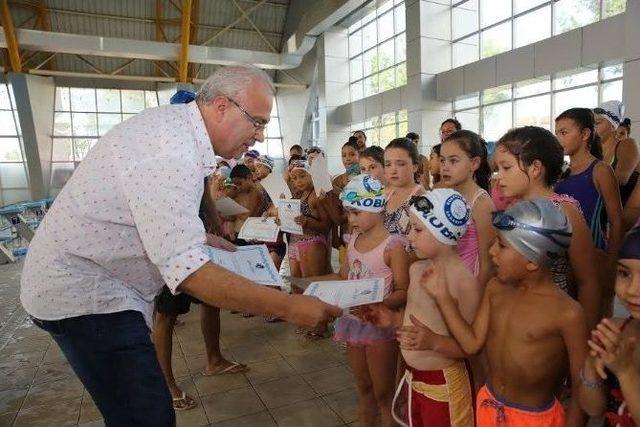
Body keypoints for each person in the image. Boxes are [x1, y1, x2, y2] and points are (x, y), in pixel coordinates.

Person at [21, 64, 341, 427]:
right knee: (147, 416)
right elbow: (189, 273)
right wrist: (290, 307)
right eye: (257, 122)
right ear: (222, 106)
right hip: (85, 295)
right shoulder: (170, 153)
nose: (260, 136)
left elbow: (143, 210)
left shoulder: (176, 132)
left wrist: (201, 237)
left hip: (98, 284)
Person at [425, 198, 588, 427]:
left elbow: (582, 385)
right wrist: (442, 297)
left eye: (501, 245)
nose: (491, 252)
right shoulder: (495, 288)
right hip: (489, 406)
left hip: (535, 419)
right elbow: (472, 344)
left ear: (532, 260)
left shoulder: (567, 313)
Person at [362, 189, 480, 427]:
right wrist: (393, 320)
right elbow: (414, 321)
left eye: (417, 229)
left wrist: (434, 341)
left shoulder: (464, 283)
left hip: (444, 386)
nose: (409, 237)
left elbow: (470, 348)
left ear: (443, 233)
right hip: (414, 380)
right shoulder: (416, 271)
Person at [309, 174, 410, 427]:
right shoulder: (354, 239)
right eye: (348, 213)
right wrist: (312, 285)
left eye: (355, 213)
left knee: (384, 394)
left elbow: (403, 290)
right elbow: (343, 276)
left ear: (375, 208)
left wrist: (379, 304)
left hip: (379, 327)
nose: (350, 220)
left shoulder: (393, 245)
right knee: (364, 389)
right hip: (353, 323)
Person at [153, 178, 247, 412]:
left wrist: (218, 230)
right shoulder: (159, 161)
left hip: (201, 241)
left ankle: (214, 360)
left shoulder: (199, 159)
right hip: (172, 245)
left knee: (210, 300)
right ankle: (166, 384)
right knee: (167, 314)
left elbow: (205, 197)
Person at [493, 126, 602, 330]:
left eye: (506, 167)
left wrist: (587, 338)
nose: (498, 176)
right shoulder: (512, 209)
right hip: (514, 314)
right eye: (497, 168)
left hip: (552, 321)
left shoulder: (564, 211)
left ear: (535, 168)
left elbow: (588, 281)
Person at [555, 108, 623, 315]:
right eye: (557, 133)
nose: (558, 138)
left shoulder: (600, 170)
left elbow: (617, 220)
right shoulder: (562, 177)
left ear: (585, 134)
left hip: (595, 257)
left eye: (564, 132)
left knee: (596, 327)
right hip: (566, 262)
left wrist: (612, 265)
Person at [579, 226, 640, 427]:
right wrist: (590, 365)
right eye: (624, 273)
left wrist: (625, 372)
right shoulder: (617, 330)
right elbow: (594, 408)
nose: (632, 290)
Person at [440, 130, 495, 286]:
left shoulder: (481, 203)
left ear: (474, 163)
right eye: (442, 160)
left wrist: (475, 299)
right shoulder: (444, 196)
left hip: (468, 284)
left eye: (453, 161)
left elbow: (488, 265)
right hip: (446, 280)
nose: (445, 167)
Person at [287, 160, 332, 278]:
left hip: (312, 242)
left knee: (311, 281)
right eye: (294, 178)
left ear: (311, 175)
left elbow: (326, 225)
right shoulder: (299, 196)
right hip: (295, 241)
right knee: (296, 281)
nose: (298, 181)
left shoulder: (316, 196)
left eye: (302, 176)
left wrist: (307, 222)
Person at [594, 101, 640, 206]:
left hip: (628, 216)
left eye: (597, 123)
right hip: (605, 216)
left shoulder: (627, 144)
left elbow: (620, 180)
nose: (593, 127)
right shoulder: (595, 152)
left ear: (613, 126)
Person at [383, 138, 426, 238]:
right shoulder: (385, 195)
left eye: (400, 164)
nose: (393, 170)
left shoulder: (421, 199)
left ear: (415, 166)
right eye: (388, 164)